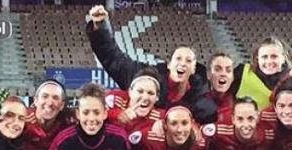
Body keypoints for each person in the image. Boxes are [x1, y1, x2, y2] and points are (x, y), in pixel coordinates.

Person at [86, 5, 217, 124]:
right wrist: (101, 26)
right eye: (178, 58)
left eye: (188, 61)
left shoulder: (201, 100)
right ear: (169, 64)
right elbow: (114, 58)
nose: (182, 63)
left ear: (194, 69)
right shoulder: (144, 77)